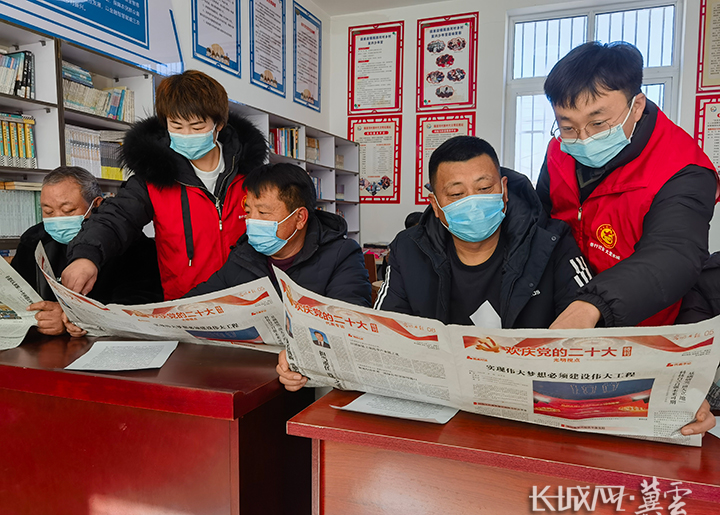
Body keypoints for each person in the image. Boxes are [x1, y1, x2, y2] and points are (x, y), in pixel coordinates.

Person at [278, 136, 588, 389]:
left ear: (504, 191)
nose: (473, 203)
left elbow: (591, 332)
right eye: (456, 194)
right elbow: (383, 335)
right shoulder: (409, 251)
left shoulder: (552, 243)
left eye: (484, 189)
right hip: (441, 409)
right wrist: (309, 358)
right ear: (436, 206)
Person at [536, 41, 717, 436]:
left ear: (636, 106)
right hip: (563, 326)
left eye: (598, 123)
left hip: (642, 329)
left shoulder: (683, 168)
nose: (581, 138)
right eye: (567, 125)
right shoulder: (558, 151)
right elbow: (542, 227)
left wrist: (593, 304)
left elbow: (673, 254)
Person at [60, 70, 268, 300]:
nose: (186, 134)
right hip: (187, 306)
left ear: (218, 124)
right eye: (176, 126)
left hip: (251, 301)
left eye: (197, 127)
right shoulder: (153, 177)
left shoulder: (250, 175)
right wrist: (86, 255)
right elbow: (117, 217)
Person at [186, 162, 371, 307]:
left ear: (300, 217)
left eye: (264, 213)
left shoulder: (342, 255)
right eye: (249, 212)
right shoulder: (243, 255)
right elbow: (197, 301)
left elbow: (348, 320)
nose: (252, 221)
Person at [10, 167, 162, 336]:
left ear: (96, 204)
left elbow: (140, 308)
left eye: (68, 211)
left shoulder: (133, 245)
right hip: (41, 347)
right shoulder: (34, 239)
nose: (57, 219)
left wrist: (73, 317)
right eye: (48, 212)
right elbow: (17, 296)